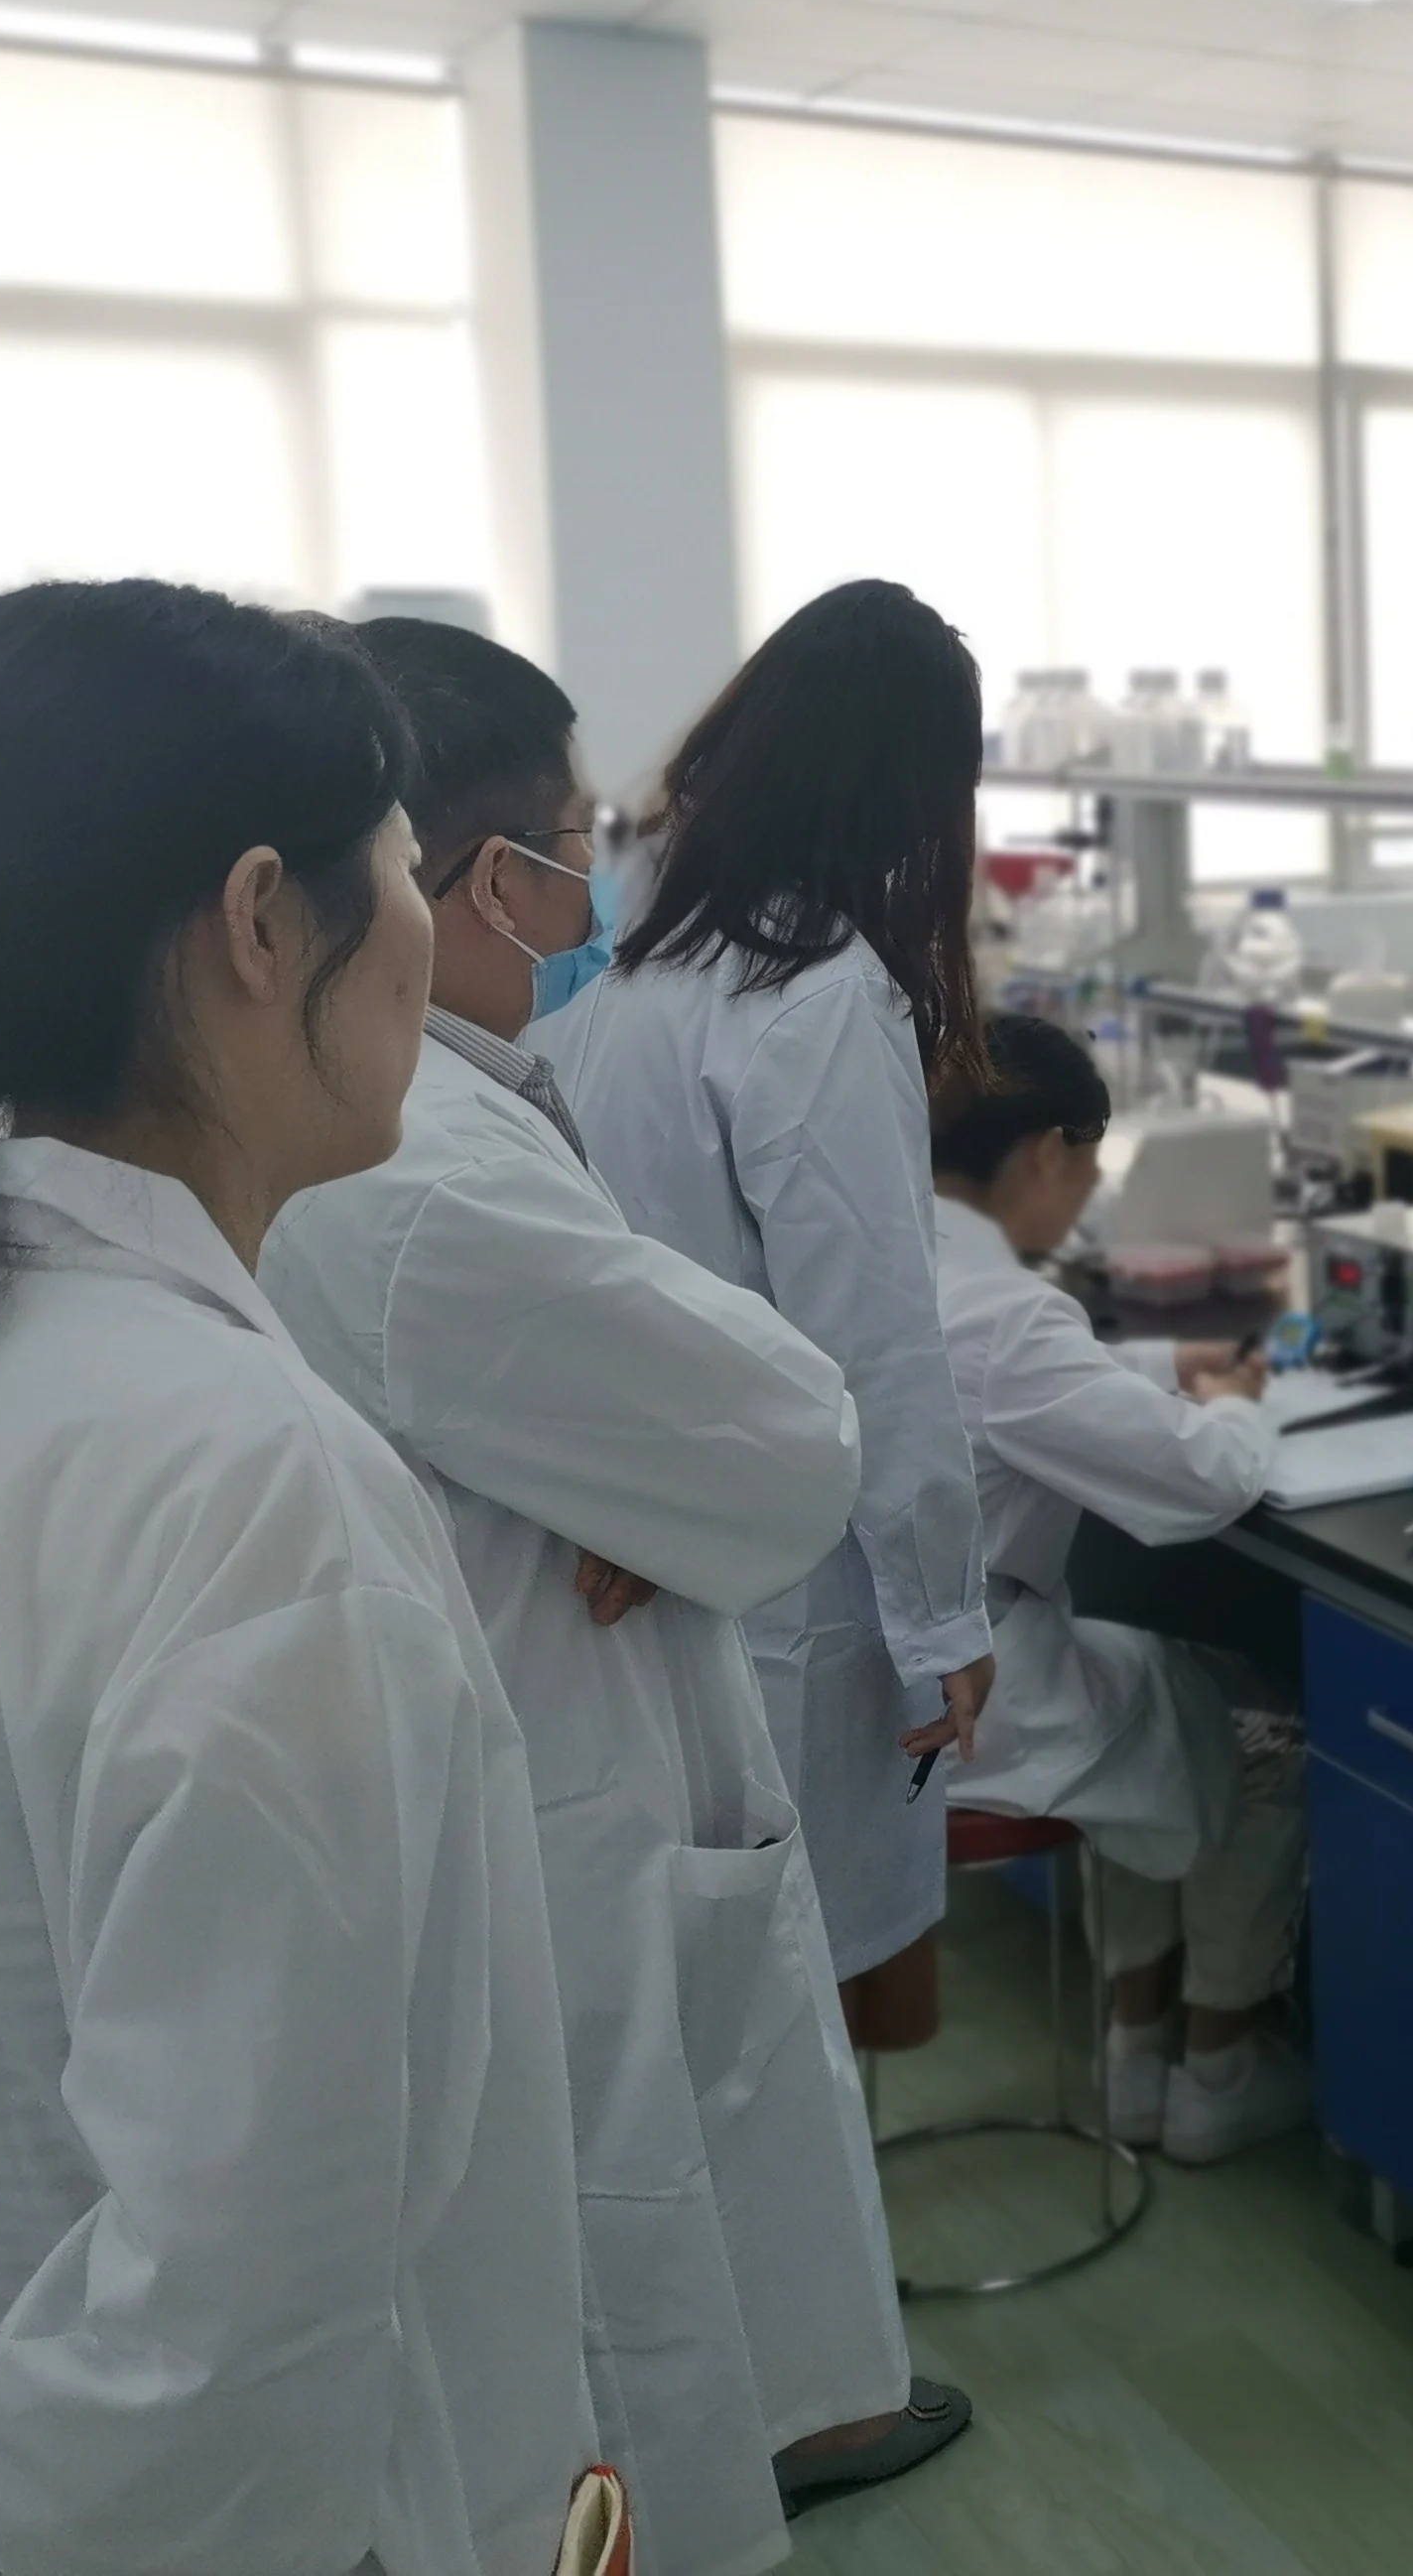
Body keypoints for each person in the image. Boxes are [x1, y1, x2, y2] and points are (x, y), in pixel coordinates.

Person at [0, 580, 595, 2574]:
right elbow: (235, 2343)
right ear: (263, 923)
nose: (424, 935)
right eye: (400, 867)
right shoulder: (241, 1489)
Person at [259, 621, 966, 2562]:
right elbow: (806, 1425)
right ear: (473, 877)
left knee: (641, 2265)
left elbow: (687, 1410)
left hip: (561, 1715)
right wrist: (673, 1457)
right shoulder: (421, 1165)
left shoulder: (473, 1075)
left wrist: (645, 1457)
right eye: (572, 843)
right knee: (618, 2307)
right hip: (551, 1777)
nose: (597, 884)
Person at [541, 581, 997, 2054]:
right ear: (916, 792)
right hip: (789, 1581)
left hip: (656, 1560)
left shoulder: (641, 974)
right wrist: (942, 1617)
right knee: (797, 2009)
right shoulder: (820, 995)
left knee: (727, 2019)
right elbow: (876, 1342)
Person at [927, 1014, 1311, 2164]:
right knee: (1269, 1731)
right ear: (1049, 1153)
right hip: (972, 1697)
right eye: (1091, 1169)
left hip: (888, 1672)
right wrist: (1235, 1404)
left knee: (1140, 1707)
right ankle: (1216, 2067)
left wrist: (1154, 1365)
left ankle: (1132, 2047)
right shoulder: (1003, 1315)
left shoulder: (873, 1251)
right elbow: (1203, 1484)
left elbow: (1022, 1385)